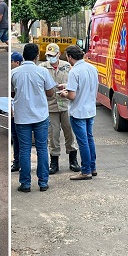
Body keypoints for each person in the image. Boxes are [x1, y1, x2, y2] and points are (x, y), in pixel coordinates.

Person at [11, 43, 57, 192]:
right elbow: (50, 93)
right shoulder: (42, 72)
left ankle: (25, 184)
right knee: (42, 148)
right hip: (40, 116)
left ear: (23, 56)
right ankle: (43, 182)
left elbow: (11, 93)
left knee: (24, 150)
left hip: (22, 117)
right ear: (37, 57)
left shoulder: (14, 72)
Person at [37, 43, 79, 174]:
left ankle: (73, 160)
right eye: (48, 56)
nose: (51, 58)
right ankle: (54, 162)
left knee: (70, 133)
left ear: (58, 54)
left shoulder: (67, 66)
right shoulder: (42, 67)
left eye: (53, 55)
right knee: (53, 134)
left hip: (66, 105)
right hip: (50, 106)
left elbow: (74, 84)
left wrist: (65, 87)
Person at [58, 45, 99, 180]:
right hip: (90, 109)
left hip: (78, 111)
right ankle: (92, 167)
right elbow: (87, 86)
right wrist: (67, 86)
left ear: (70, 57)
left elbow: (72, 96)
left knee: (83, 142)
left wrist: (64, 94)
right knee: (89, 138)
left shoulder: (74, 72)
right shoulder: (92, 68)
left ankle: (85, 170)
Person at [10, 51, 23, 172]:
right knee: (16, 137)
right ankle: (17, 162)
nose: (10, 63)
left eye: (11, 61)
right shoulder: (13, 74)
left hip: (19, 112)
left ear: (17, 62)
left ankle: (19, 162)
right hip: (17, 111)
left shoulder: (16, 74)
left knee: (20, 138)